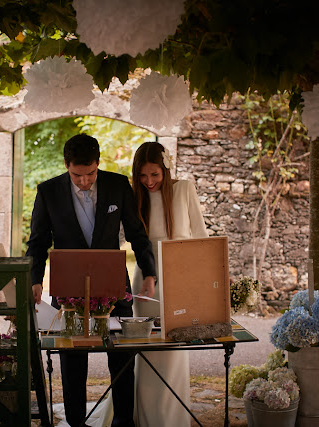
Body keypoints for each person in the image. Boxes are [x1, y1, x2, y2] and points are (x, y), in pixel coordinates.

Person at [26, 134, 157, 427]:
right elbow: (37, 241)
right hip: (68, 285)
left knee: (122, 356)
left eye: (91, 174)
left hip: (115, 285)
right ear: (66, 165)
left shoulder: (118, 185)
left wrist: (149, 272)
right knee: (72, 359)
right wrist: (35, 279)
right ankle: (75, 422)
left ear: (98, 163)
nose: (85, 181)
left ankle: (123, 421)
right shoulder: (48, 191)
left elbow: (137, 233)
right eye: (77, 175)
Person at [131, 141, 209, 427]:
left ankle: (172, 416)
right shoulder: (135, 196)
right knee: (147, 344)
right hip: (146, 277)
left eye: (154, 174)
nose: (149, 181)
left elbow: (200, 235)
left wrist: (209, 274)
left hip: (179, 274)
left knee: (175, 347)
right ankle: (145, 414)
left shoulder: (184, 189)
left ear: (165, 169)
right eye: (142, 175)